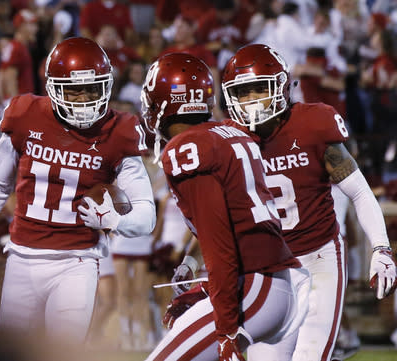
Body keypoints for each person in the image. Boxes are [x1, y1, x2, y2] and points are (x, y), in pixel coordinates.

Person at [0, 37, 156, 344]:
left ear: (106, 86)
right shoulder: (25, 115)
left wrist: (116, 222)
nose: (83, 100)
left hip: (77, 261)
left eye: (92, 89)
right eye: (74, 90)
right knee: (11, 350)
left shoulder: (118, 131)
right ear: (54, 88)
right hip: (22, 258)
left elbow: (146, 214)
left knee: (60, 351)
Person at [220, 44, 396, 360]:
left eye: (259, 89)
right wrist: (195, 262)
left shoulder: (313, 123)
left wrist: (381, 248)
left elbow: (358, 191)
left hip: (318, 259)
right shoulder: (227, 140)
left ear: (283, 86)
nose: (250, 101)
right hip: (266, 270)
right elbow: (218, 215)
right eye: (243, 92)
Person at [141, 52, 310, 361]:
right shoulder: (230, 133)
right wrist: (195, 270)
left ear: (162, 106)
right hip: (271, 283)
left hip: (254, 288)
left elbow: (221, 244)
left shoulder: (186, 147)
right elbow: (231, 218)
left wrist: (226, 329)